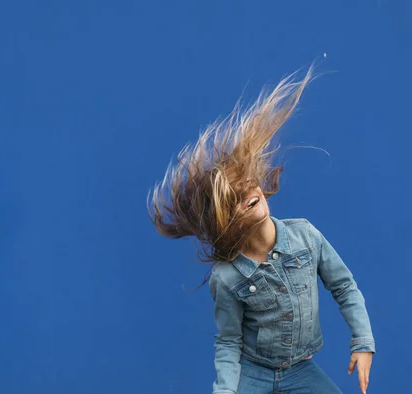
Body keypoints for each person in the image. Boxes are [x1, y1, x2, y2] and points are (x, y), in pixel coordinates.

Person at [148, 65, 375, 394]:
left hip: (300, 371)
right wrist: (225, 390)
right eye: (234, 198)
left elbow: (345, 288)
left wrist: (362, 341)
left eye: (248, 183)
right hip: (252, 373)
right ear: (225, 220)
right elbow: (228, 342)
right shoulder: (227, 278)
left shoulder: (306, 237)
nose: (248, 194)